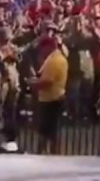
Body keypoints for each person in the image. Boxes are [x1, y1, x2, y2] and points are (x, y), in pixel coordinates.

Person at [27, 26, 69, 155]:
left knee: (50, 131)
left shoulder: (54, 61)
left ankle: (52, 155)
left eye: (42, 48)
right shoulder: (52, 59)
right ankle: (42, 152)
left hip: (52, 99)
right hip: (50, 98)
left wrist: (32, 84)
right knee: (46, 131)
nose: (40, 51)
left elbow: (47, 82)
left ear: (48, 47)